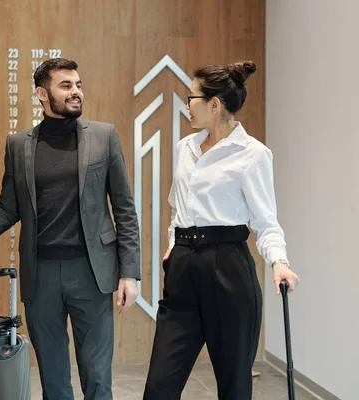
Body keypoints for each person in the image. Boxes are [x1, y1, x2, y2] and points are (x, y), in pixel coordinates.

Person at [0, 58, 141, 400]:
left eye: (78, 84)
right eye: (66, 86)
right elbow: (6, 210)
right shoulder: (19, 145)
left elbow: (124, 209)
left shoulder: (104, 136)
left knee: (98, 377)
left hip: (92, 273)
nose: (76, 92)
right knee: (53, 379)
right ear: (42, 94)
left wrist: (130, 273)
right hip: (41, 275)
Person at [142, 61, 300, 400]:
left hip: (227, 268)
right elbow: (177, 205)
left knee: (233, 386)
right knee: (159, 387)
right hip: (184, 270)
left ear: (214, 105)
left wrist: (279, 261)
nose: (187, 105)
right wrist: (174, 243)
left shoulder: (253, 154)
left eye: (191, 98)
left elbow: (265, 221)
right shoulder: (186, 148)